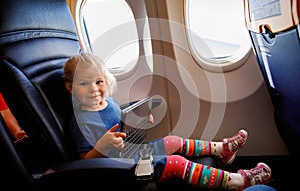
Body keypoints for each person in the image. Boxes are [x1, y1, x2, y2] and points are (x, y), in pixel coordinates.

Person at [63, 52, 272, 190]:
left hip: (133, 152)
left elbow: (122, 125)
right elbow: (85, 161)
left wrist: (140, 120)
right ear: (70, 88)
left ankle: (222, 149)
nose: (93, 88)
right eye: (84, 83)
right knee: (178, 163)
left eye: (98, 81)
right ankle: (237, 182)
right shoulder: (81, 121)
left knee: (173, 140)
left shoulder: (109, 103)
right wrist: (101, 145)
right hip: (122, 169)